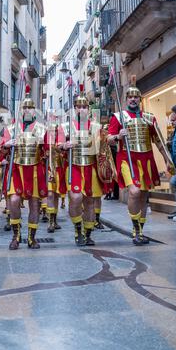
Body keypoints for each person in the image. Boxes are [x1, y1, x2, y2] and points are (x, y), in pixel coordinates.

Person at [108, 80, 173, 245]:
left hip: (146, 159)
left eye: (136, 97)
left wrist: (167, 160)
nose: (133, 99)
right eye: (130, 96)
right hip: (126, 158)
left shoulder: (149, 118)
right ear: (126, 99)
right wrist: (118, 136)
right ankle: (135, 227)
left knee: (144, 195)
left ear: (140, 99)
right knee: (135, 192)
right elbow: (108, 139)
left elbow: (159, 141)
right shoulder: (118, 117)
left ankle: (140, 231)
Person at [2, 85, 47, 250]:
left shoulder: (42, 129)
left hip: (35, 169)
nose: (27, 110)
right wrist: (7, 143)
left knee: (34, 204)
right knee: (14, 201)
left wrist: (49, 150)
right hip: (16, 169)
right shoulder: (11, 129)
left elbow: (49, 150)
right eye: (24, 107)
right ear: (20, 111)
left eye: (30, 108)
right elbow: (1, 149)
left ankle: (31, 237)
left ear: (34, 111)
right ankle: (16, 235)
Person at [62, 84, 103, 246]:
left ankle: (87, 233)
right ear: (74, 109)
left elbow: (103, 148)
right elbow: (55, 146)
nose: (82, 109)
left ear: (88, 108)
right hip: (74, 167)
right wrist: (64, 145)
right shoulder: (65, 126)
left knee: (90, 202)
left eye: (84, 106)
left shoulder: (96, 127)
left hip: (91, 167)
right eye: (78, 107)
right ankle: (78, 230)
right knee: (76, 197)